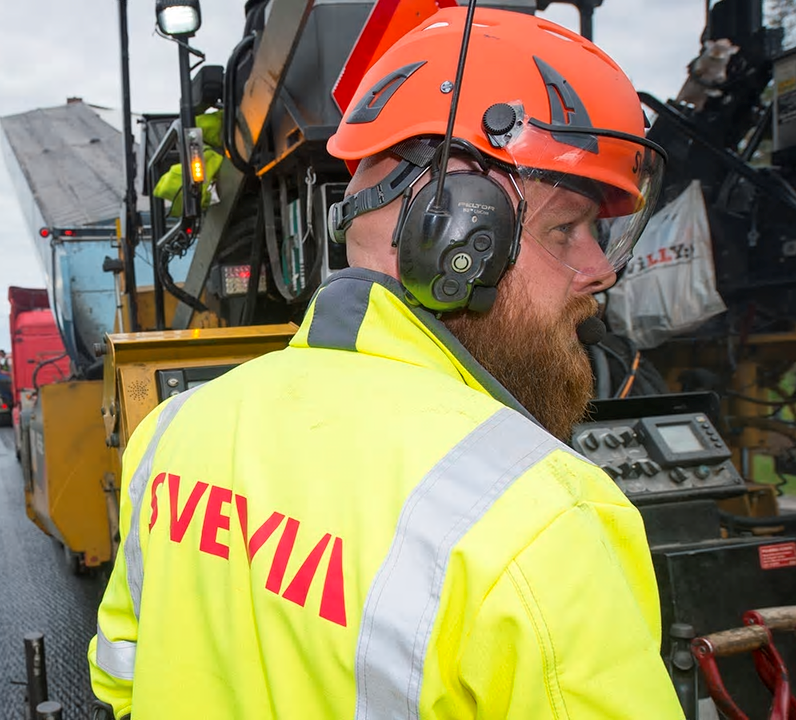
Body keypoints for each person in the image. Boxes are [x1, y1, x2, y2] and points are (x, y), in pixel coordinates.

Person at [87, 7, 683, 719]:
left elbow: (122, 679)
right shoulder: (539, 519)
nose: (598, 271)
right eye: (568, 229)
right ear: (457, 233)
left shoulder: (173, 434)